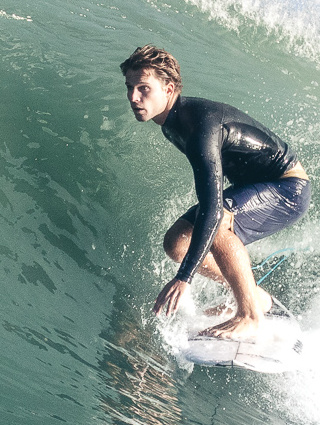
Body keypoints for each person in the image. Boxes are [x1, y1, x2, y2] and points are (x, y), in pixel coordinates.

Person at [120, 45, 310, 341]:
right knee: (177, 243)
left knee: (218, 222)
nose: (133, 97)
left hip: (287, 188)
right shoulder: (171, 123)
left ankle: (249, 315)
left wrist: (184, 278)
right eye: (130, 88)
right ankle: (254, 297)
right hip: (254, 188)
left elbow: (214, 208)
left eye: (144, 88)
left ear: (169, 89)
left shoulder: (199, 127)